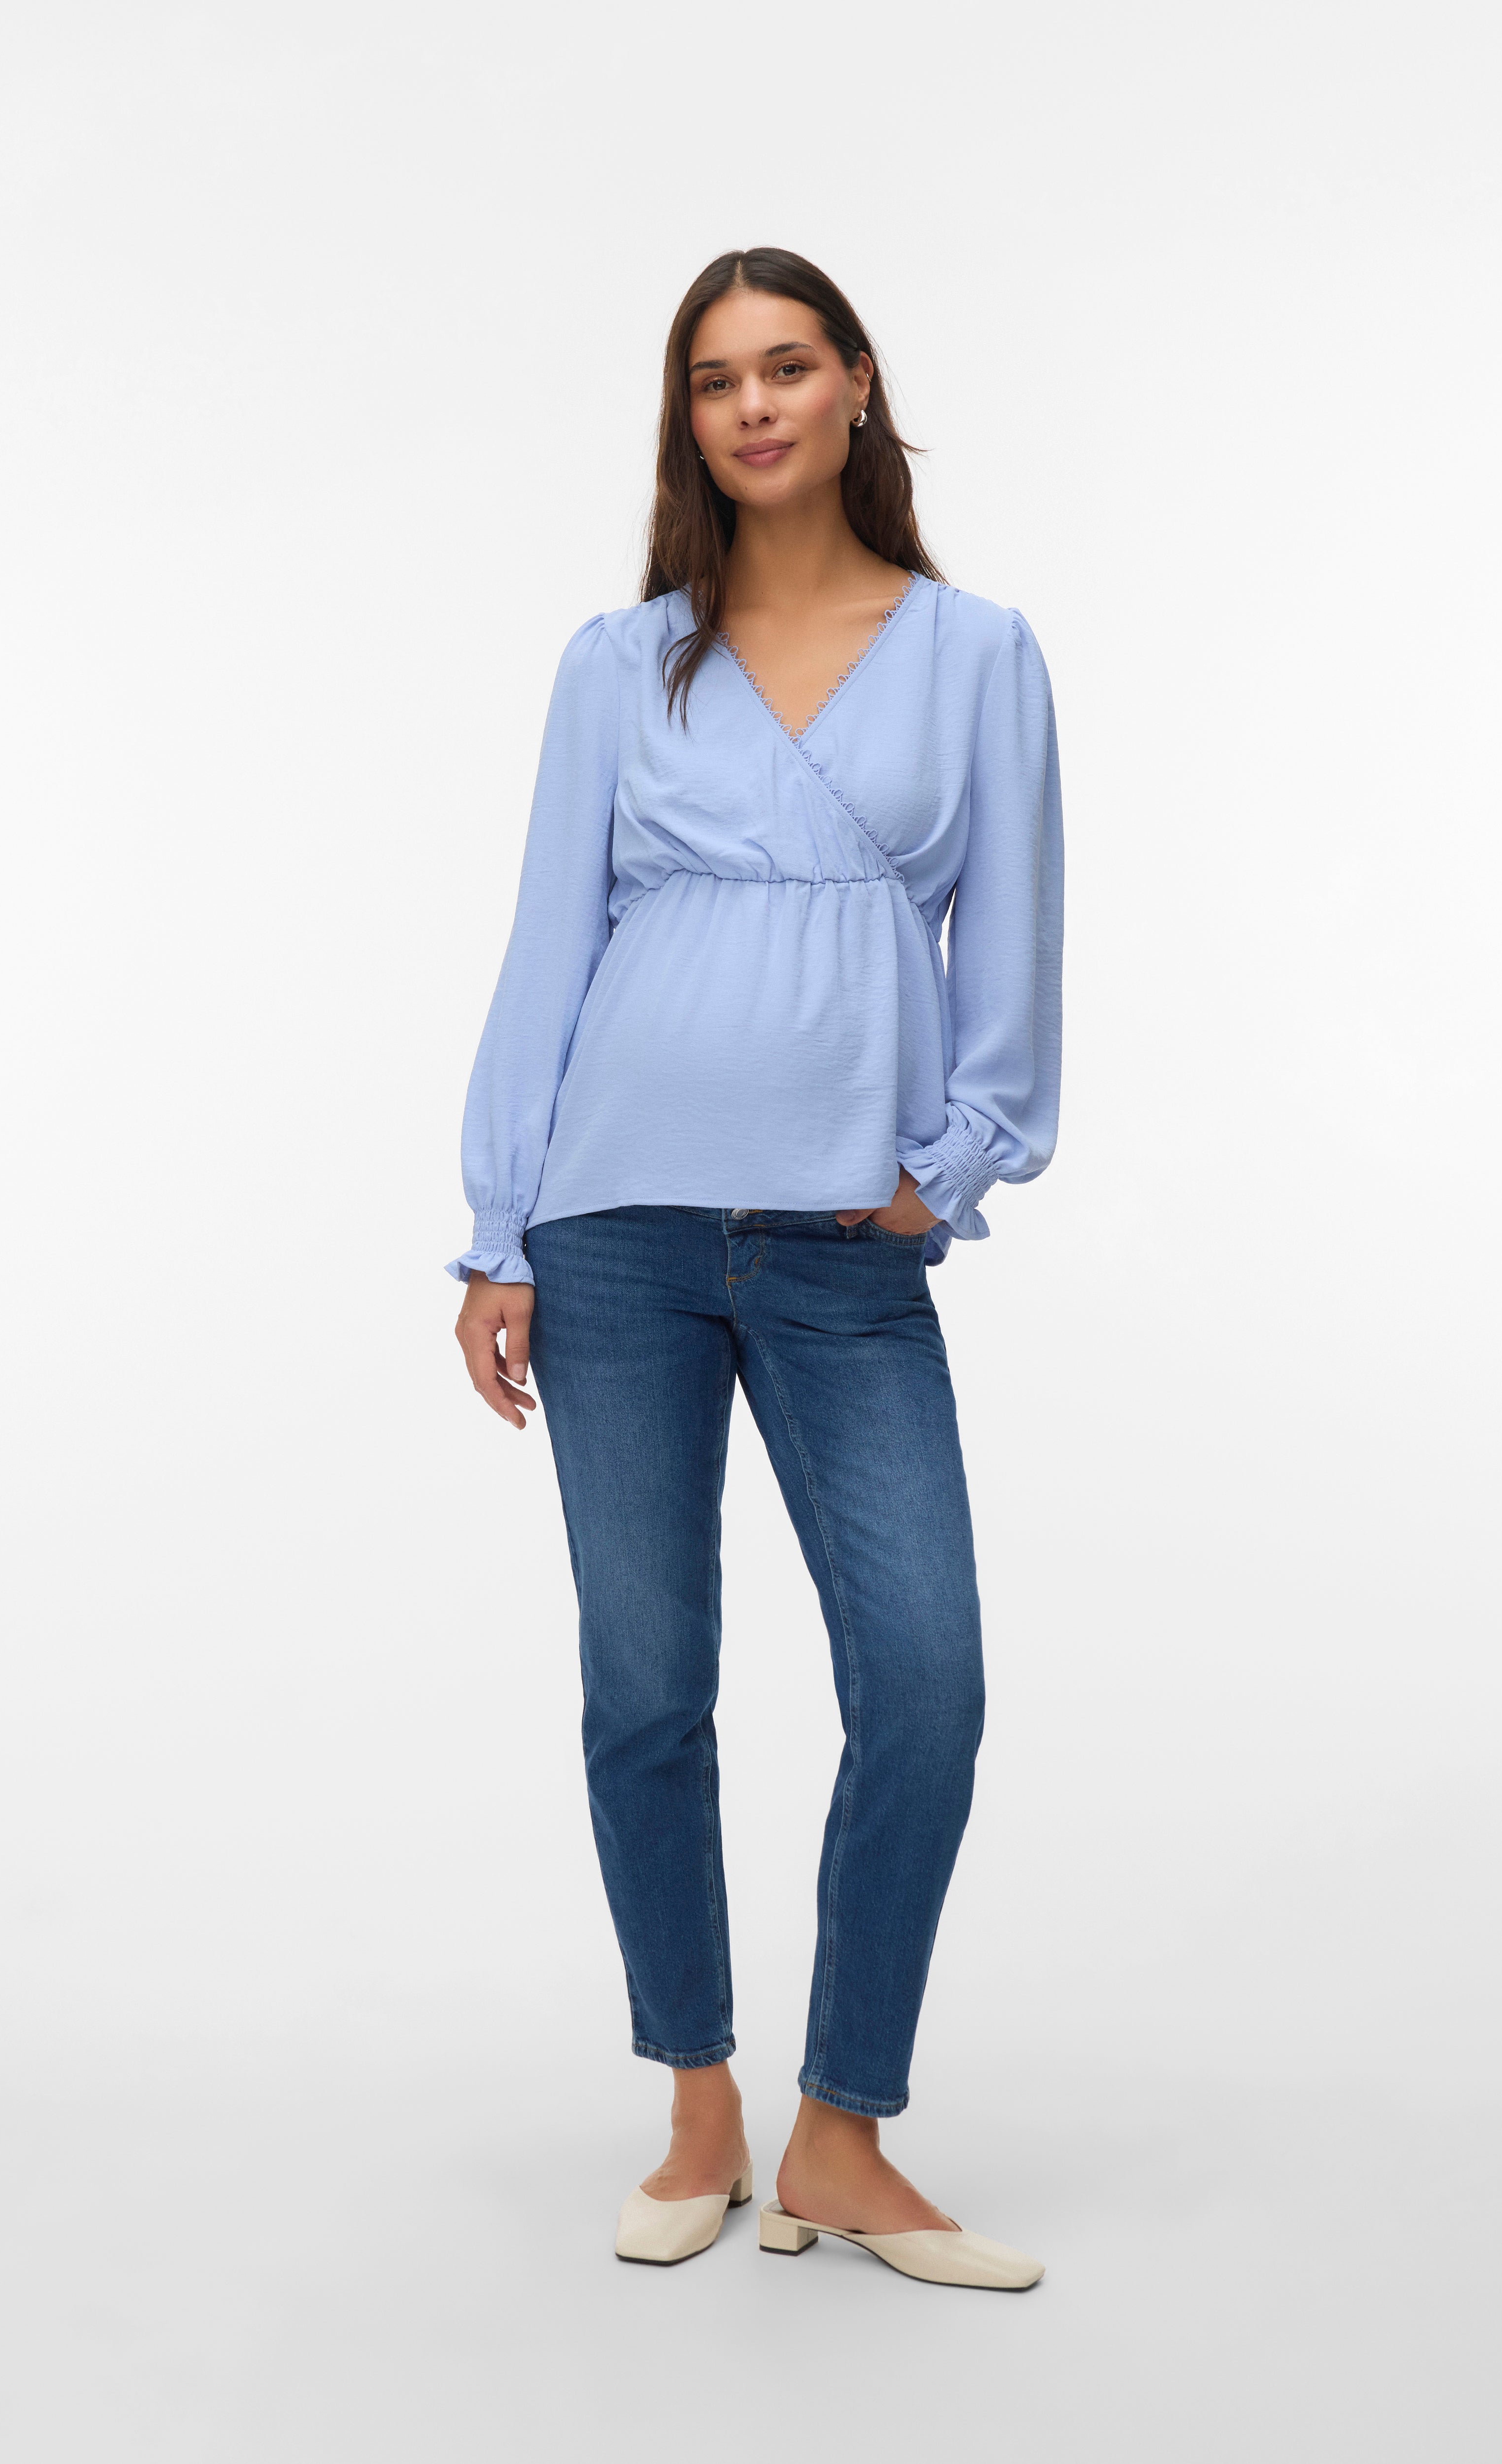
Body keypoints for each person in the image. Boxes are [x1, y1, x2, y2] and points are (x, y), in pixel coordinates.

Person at [450, 247, 1063, 2290]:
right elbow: (550, 945)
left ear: (858, 384)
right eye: (717, 380)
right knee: (648, 1685)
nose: (755, 406)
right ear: (689, 418)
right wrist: (497, 1228)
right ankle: (701, 2103)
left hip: (837, 1242)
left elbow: (1016, 943)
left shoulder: (976, 655)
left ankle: (844, 2134)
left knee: (929, 1683)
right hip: (613, 1228)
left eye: (788, 365)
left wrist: (946, 1170)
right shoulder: (620, 664)